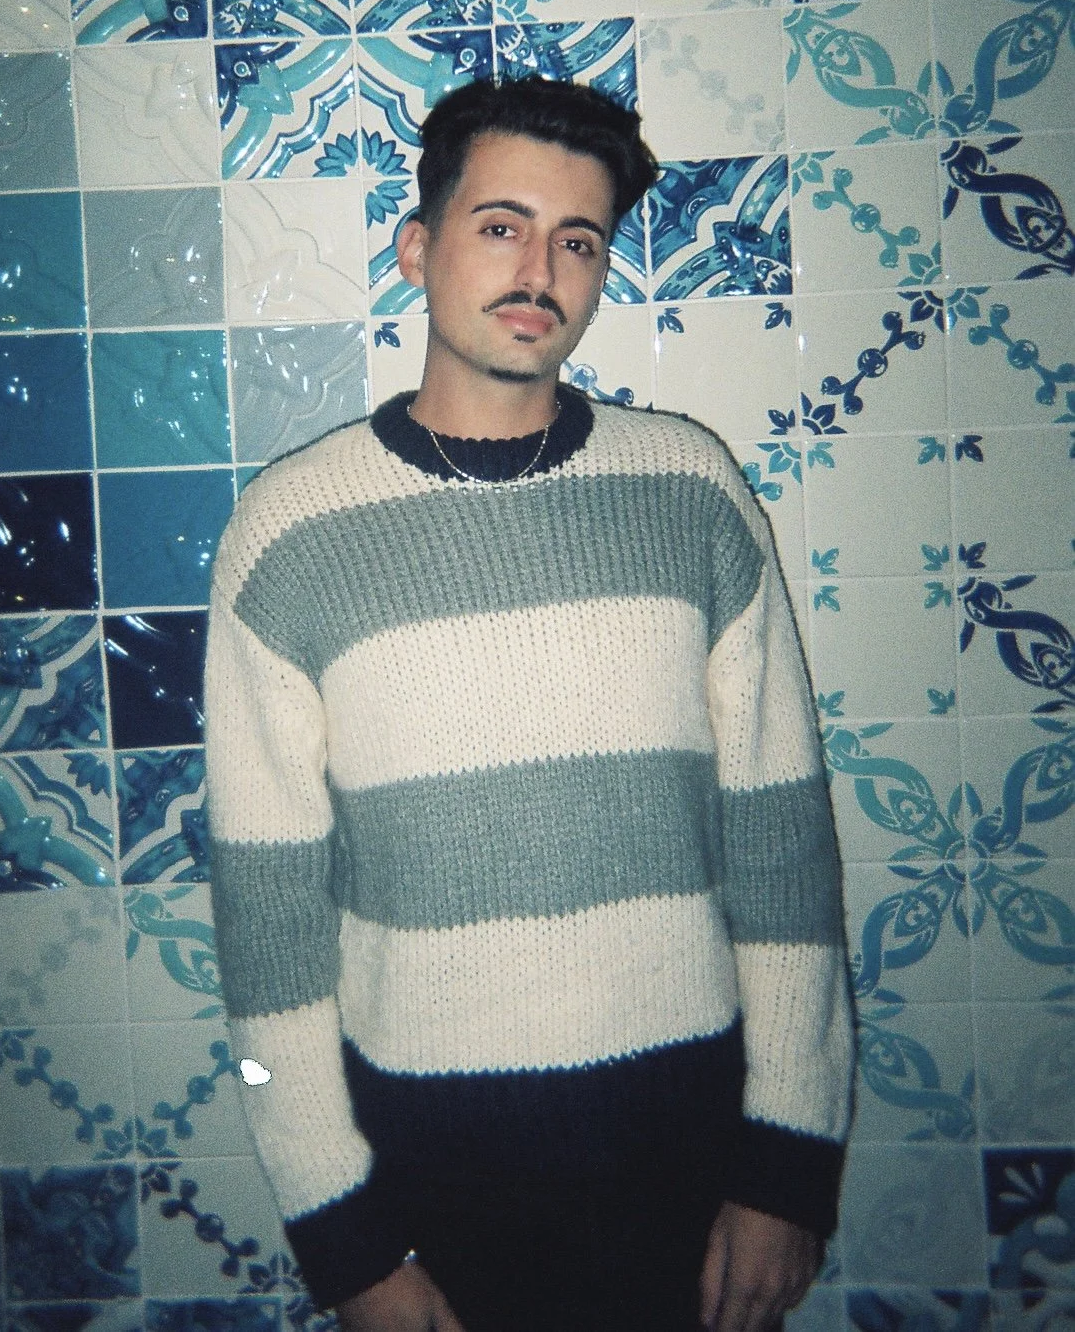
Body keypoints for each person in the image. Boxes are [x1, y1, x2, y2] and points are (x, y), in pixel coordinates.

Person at [204, 76, 854, 1332]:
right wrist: (344, 1244)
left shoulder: (693, 495)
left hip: (691, 1161)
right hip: (424, 1177)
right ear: (417, 246)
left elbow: (782, 849)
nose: (539, 268)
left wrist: (786, 1171)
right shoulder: (287, 536)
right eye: (500, 224)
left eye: (579, 239)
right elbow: (266, 927)